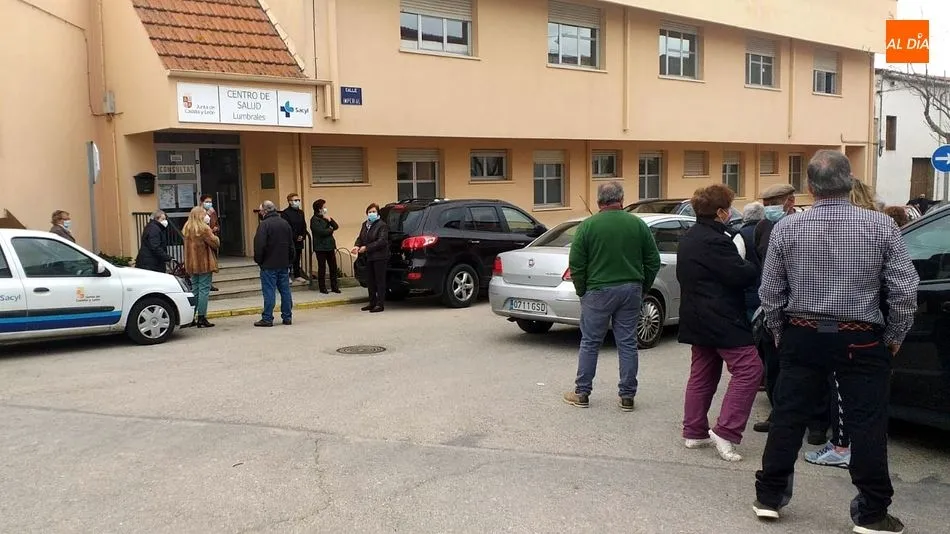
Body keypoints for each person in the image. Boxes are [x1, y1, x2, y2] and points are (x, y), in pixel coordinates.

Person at [753, 150, 919, 534]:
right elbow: (904, 291)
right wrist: (894, 336)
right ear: (849, 181)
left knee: (788, 417)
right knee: (868, 423)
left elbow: (771, 292)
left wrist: (779, 332)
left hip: (802, 333)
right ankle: (872, 513)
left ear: (810, 187)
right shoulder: (882, 226)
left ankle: (769, 497)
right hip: (860, 337)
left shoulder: (787, 228)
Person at [677, 184, 762, 461]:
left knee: (703, 372)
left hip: (695, 316)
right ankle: (726, 430)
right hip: (722, 317)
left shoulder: (688, 237)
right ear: (721, 212)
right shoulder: (717, 241)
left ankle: (694, 430)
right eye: (729, 208)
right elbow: (740, 274)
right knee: (750, 369)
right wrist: (753, 264)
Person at [562, 181, 661, 412]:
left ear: (599, 202)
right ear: (622, 200)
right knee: (627, 343)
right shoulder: (637, 224)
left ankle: (582, 392)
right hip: (631, 289)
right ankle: (627, 396)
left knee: (590, 342)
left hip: (597, 290)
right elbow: (653, 260)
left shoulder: (587, 226)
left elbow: (576, 263)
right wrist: (643, 287)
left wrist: (581, 290)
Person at [253, 201, 295, 327]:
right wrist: (289, 260)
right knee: (285, 291)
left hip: (269, 264)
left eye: (261, 211)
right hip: (283, 263)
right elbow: (291, 244)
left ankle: (267, 318)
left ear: (265, 211)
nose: (260, 213)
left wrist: (259, 260)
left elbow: (259, 245)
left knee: (269, 292)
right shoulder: (285, 223)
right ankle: (287, 316)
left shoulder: (264, 225)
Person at [182, 206, 219, 328]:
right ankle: (202, 317)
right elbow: (215, 243)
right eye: (204, 214)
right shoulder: (204, 229)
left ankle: (191, 317)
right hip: (204, 263)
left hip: (192, 264)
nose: (206, 216)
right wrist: (216, 237)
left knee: (195, 290)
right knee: (204, 290)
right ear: (200, 215)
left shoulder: (187, 228)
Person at [351, 203, 390, 313]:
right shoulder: (365, 224)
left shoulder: (382, 225)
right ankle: (372, 302)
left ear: (377, 213)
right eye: (369, 212)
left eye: (374, 212)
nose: (371, 214)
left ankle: (380, 304)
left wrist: (367, 248)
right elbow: (360, 237)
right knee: (370, 280)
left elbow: (382, 241)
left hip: (379, 256)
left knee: (379, 281)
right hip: (368, 257)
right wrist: (357, 246)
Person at [738, 202, 765, 321]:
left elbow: (737, 263)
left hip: (750, 292)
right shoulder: (772, 231)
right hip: (770, 292)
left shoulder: (741, 235)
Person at [310, 199, 340, 294]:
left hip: (330, 246)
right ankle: (322, 287)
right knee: (322, 267)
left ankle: (334, 286)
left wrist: (330, 220)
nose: (325, 208)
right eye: (324, 207)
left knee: (333, 267)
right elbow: (321, 232)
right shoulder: (314, 219)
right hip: (320, 247)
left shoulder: (326, 217)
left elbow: (336, 226)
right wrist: (330, 230)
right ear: (319, 209)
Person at [281, 192, 309, 282]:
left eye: (298, 200)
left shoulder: (301, 212)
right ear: (290, 202)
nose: (298, 202)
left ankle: (297, 275)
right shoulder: (285, 213)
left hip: (299, 240)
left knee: (297, 258)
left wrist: (302, 236)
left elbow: (304, 225)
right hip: (290, 240)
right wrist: (295, 236)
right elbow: (287, 227)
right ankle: (287, 276)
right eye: (295, 200)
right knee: (289, 258)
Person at [199, 195, 220, 292]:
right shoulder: (198, 213)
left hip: (211, 240)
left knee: (211, 263)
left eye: (210, 202)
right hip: (203, 242)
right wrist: (210, 230)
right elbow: (199, 228)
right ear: (201, 202)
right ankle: (205, 283)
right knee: (204, 263)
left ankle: (209, 283)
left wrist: (216, 228)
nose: (209, 204)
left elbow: (217, 224)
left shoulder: (213, 212)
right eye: (207, 201)